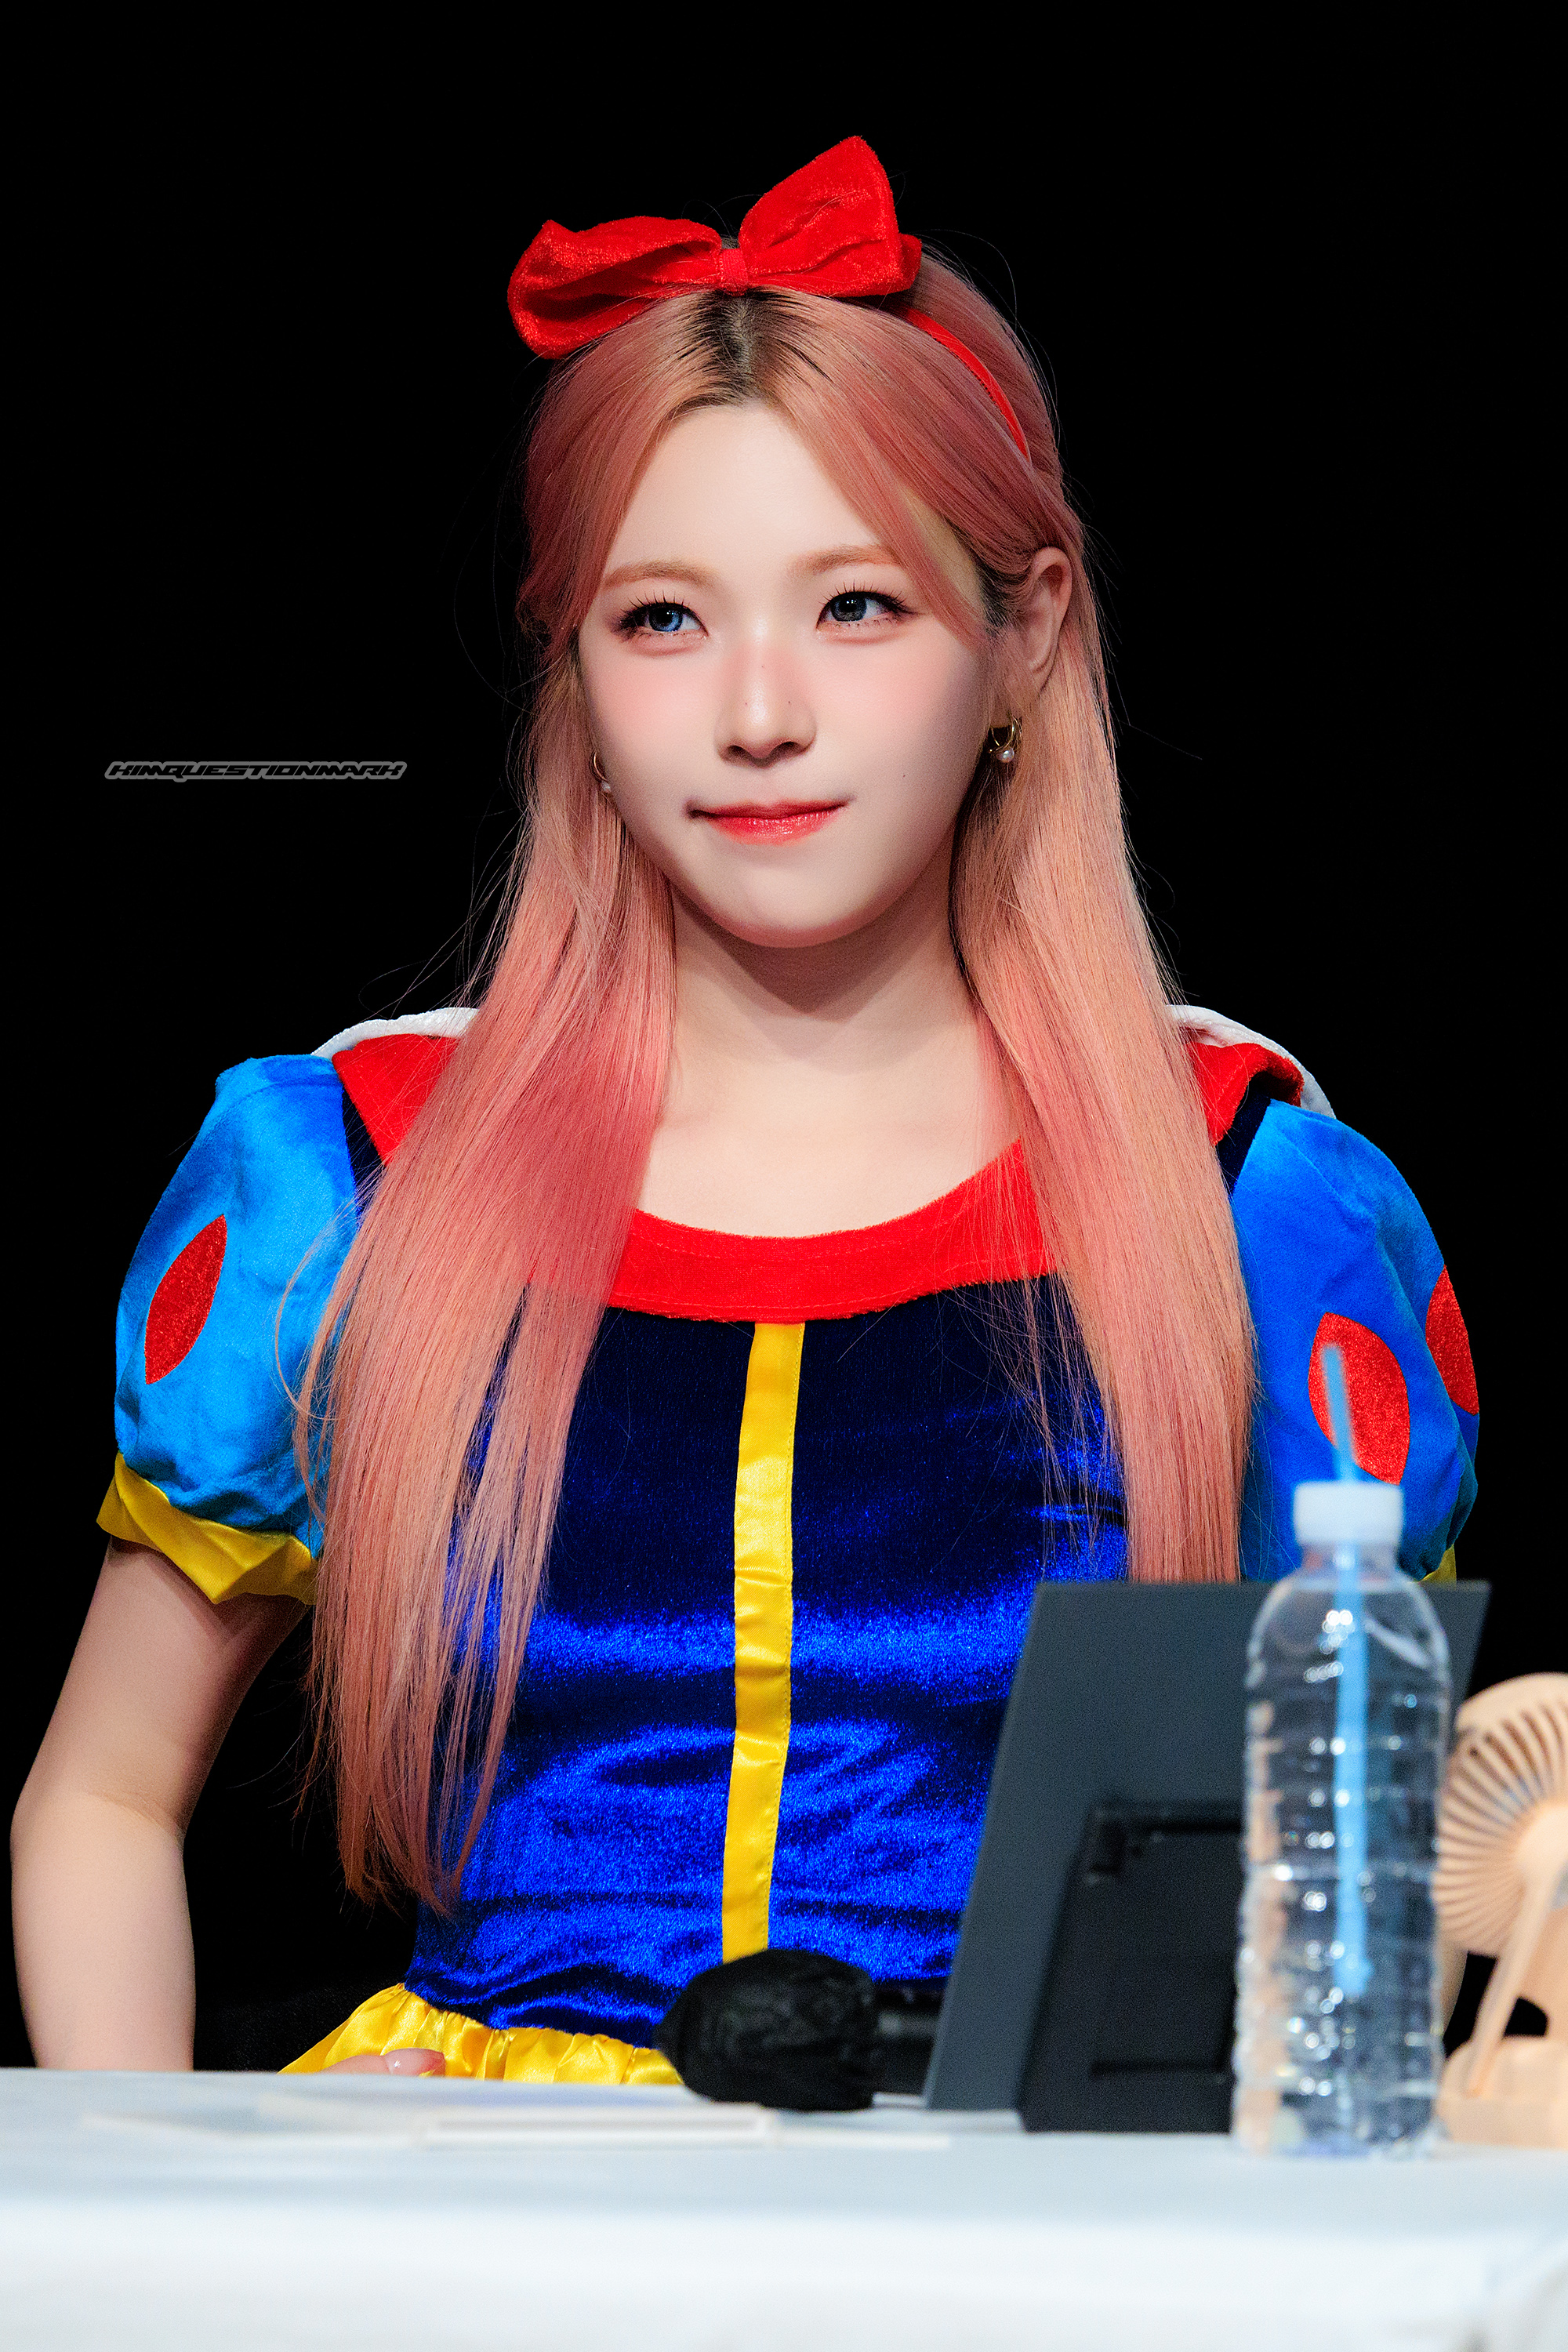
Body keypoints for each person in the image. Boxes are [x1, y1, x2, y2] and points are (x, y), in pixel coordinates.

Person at [10, 141, 1479, 2080]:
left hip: (1014, 2222)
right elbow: (104, 1797)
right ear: (569, 671)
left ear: (1027, 636)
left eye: (856, 605)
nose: (758, 713)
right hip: (459, 2218)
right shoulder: (352, 1178)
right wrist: (168, 2214)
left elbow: (1383, 1885)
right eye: (661, 620)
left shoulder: (1244, 1205)